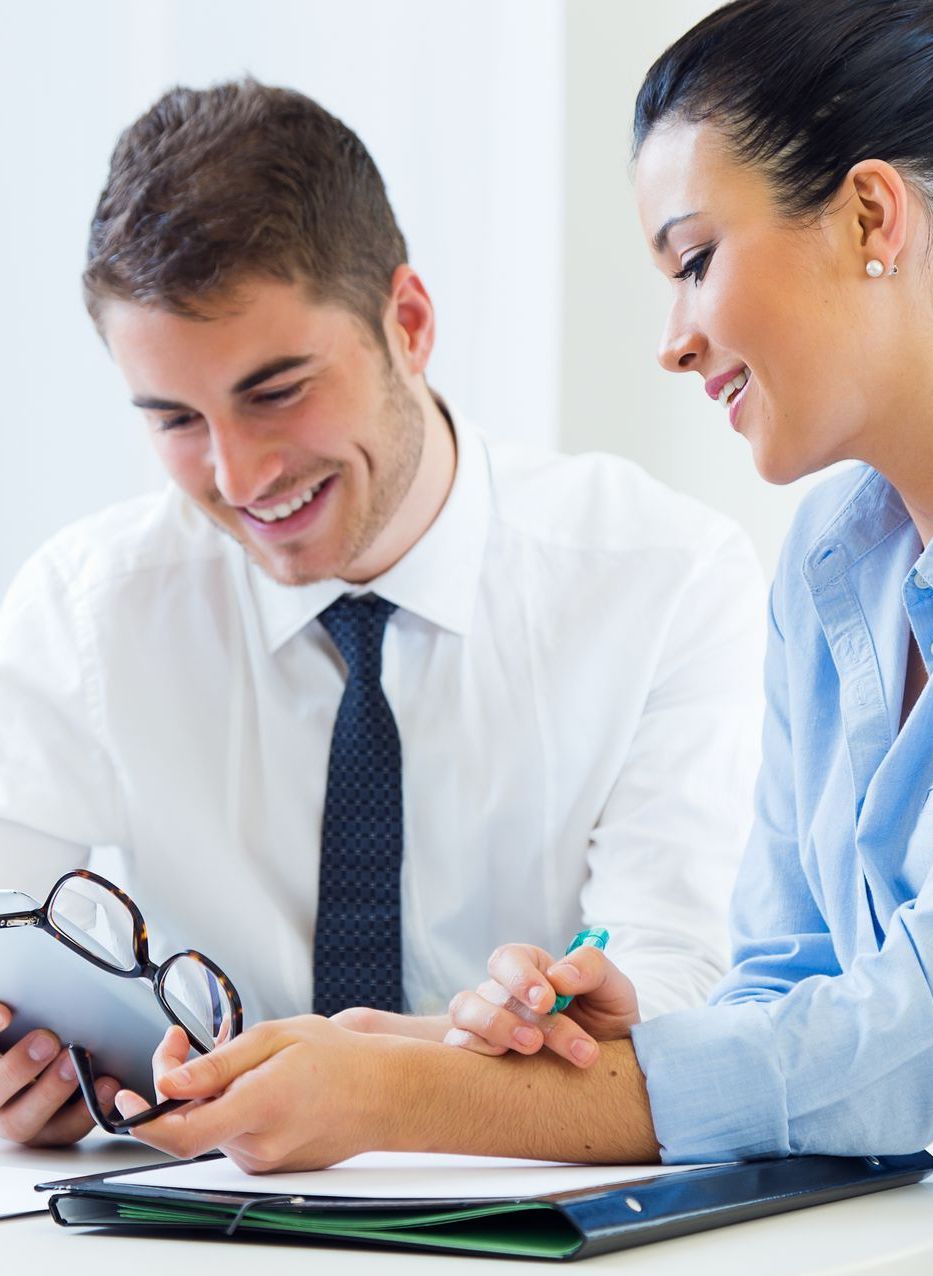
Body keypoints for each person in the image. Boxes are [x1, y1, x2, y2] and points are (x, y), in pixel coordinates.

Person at [118, 2, 933, 1270]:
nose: (672, 339)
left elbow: (911, 1046)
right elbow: (793, 989)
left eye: (692, 260)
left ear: (867, 218)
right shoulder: (837, 555)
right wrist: (534, 1045)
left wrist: (393, 1101)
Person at [0, 80, 767, 1150]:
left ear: (407, 322)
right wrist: (25, 1077)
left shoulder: (665, 579)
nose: (238, 474)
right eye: (176, 418)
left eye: (276, 391)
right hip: (200, 1223)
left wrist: (404, 1078)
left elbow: (688, 994)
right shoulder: (88, 609)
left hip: (544, 1221)